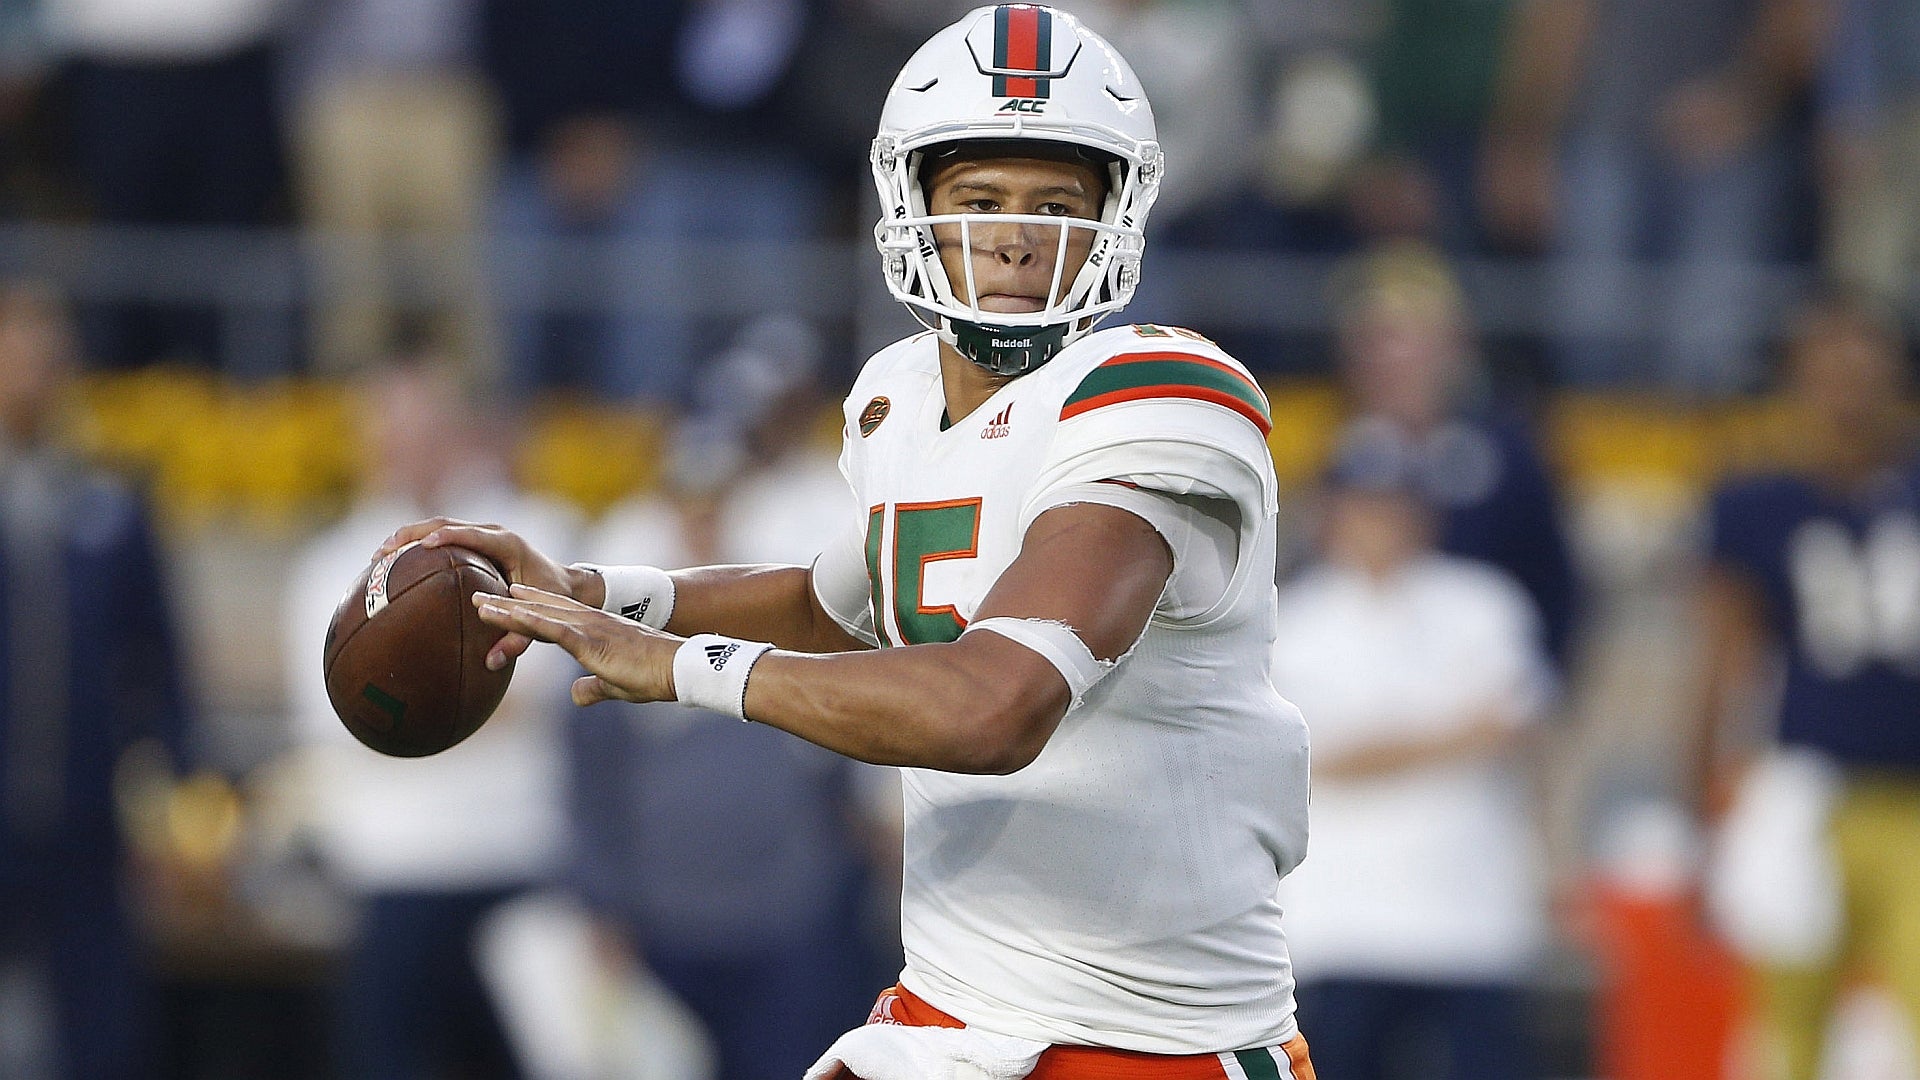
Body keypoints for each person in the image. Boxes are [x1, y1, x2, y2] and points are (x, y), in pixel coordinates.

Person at [379, 6, 1316, 1079]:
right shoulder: (896, 396)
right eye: (980, 201)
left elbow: (994, 707)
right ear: (911, 205)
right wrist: (596, 593)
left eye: (1058, 205)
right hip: (954, 1015)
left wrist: (685, 670)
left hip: (1152, 1043)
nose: (1016, 237)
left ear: (1119, 218)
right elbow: (840, 603)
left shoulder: (1161, 393)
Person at [286, 345, 579, 1080]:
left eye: (427, 427)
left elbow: (564, 692)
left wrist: (416, 706)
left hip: (524, 865)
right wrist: (473, 700)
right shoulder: (330, 562)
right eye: (393, 427)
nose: (410, 446)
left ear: (464, 430)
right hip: (394, 872)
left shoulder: (540, 534)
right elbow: (333, 729)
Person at [1271, 423, 1553, 1080]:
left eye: (1396, 503)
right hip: (1338, 923)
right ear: (1332, 511)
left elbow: (1514, 726)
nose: (1381, 520)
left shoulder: (1482, 601)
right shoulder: (1290, 617)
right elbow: (1306, 758)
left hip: (1474, 919)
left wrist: (1372, 748)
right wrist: (1452, 736)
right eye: (1365, 503)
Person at [1692, 290, 1920, 1080]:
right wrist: (1702, 816)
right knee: (1787, 1031)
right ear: (1796, 378)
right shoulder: (1759, 497)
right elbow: (1722, 663)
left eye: (1865, 364)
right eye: (1829, 366)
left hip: (1914, 798)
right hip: (1805, 795)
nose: (1849, 385)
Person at [0, 280, 193, 1079]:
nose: (34, 371)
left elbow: (160, 666)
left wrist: (167, 802)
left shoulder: (106, 500)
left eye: (49, 354)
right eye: (18, 350)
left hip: (85, 824)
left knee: (102, 1043)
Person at [1334, 241, 1581, 672]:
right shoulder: (1345, 455)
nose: (1393, 360)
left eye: (1409, 338)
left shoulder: (1509, 457)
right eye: (1374, 341)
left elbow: (1554, 578)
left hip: (1485, 678)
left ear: (1453, 347)